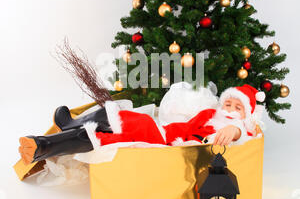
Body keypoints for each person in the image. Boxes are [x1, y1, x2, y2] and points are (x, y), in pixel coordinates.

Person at [19, 83, 265, 165]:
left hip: (162, 138)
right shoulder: (212, 113)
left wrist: (235, 130)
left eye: (238, 107)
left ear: (247, 114)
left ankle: (49, 141)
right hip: (163, 131)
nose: (230, 109)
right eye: (229, 104)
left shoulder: (238, 128)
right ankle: (45, 144)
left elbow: (243, 135)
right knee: (109, 129)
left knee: (119, 119)